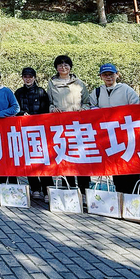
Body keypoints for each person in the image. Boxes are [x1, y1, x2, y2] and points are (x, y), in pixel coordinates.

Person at [88, 63, 140, 195]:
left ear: (117, 75)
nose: (108, 77)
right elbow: (90, 107)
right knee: (116, 167)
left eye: (111, 74)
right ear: (101, 76)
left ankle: (138, 197)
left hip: (127, 134)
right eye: (105, 75)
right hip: (109, 137)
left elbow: (136, 107)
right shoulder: (97, 92)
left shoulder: (126, 89)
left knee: (133, 166)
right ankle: (121, 197)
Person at [46, 55, 91, 194]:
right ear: (56, 68)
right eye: (60, 65)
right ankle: (69, 190)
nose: (63, 67)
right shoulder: (52, 83)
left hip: (78, 126)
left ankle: (85, 190)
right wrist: (52, 109)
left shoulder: (79, 83)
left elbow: (87, 102)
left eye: (66, 65)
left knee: (81, 157)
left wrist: (83, 109)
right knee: (66, 157)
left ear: (70, 67)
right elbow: (49, 102)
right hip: (61, 126)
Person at [13, 67, 51, 199]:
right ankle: (35, 188)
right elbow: (15, 109)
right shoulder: (18, 92)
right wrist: (22, 113)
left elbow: (46, 110)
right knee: (29, 160)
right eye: (25, 76)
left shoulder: (41, 92)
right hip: (24, 131)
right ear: (22, 78)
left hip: (40, 131)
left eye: (30, 76)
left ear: (34, 78)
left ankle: (47, 190)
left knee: (43, 160)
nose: (28, 79)